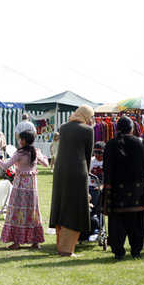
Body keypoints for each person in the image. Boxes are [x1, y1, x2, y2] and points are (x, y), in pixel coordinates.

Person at [103, 117, 144, 260]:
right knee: (136, 222)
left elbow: (106, 168)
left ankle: (118, 252)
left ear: (117, 128)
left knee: (117, 222)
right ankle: (136, 251)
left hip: (116, 191)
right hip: (137, 192)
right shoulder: (141, 142)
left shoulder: (111, 144)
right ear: (132, 128)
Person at [0, 131, 49, 250]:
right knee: (32, 211)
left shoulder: (20, 153)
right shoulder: (35, 152)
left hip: (20, 185)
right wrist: (41, 155)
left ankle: (17, 242)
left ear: (24, 140)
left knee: (18, 211)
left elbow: (5, 166)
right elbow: (46, 164)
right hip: (32, 186)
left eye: (20, 139)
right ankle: (35, 242)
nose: (19, 141)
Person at [49, 105, 94, 257]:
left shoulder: (64, 127)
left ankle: (61, 245)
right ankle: (67, 249)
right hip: (77, 171)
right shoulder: (88, 130)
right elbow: (88, 154)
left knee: (61, 205)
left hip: (60, 170)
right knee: (74, 207)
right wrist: (86, 173)